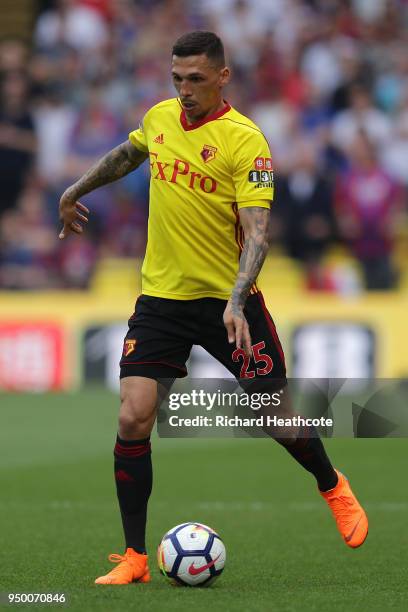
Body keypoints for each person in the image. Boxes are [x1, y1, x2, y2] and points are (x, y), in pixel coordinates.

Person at [59, 31, 368, 586]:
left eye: (195, 79)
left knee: (277, 419)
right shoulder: (159, 118)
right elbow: (129, 153)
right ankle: (133, 557)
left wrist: (236, 299)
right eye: (177, 79)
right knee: (133, 414)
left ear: (223, 76)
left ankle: (332, 486)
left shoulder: (246, 141)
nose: (184, 90)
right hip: (161, 299)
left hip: (231, 305)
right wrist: (75, 189)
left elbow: (258, 234)